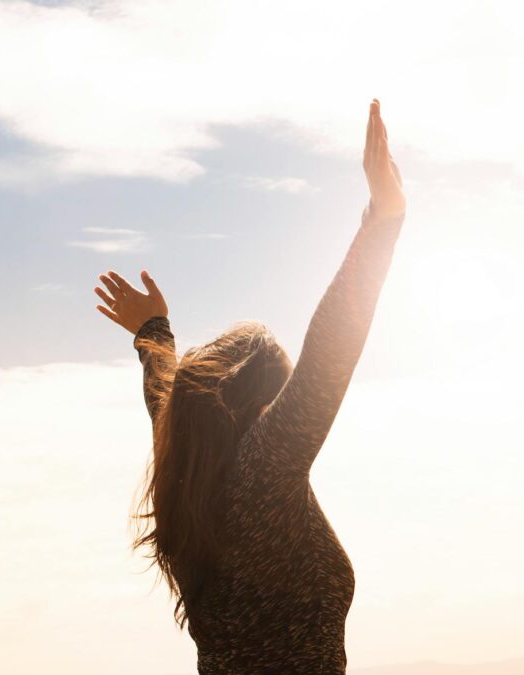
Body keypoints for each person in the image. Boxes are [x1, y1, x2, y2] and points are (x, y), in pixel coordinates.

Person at [93, 99, 406, 674]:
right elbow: (328, 354)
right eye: (282, 395)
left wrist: (154, 334)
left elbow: (166, 400)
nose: (286, 408)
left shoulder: (188, 483)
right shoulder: (262, 476)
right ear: (261, 402)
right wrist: (381, 223)